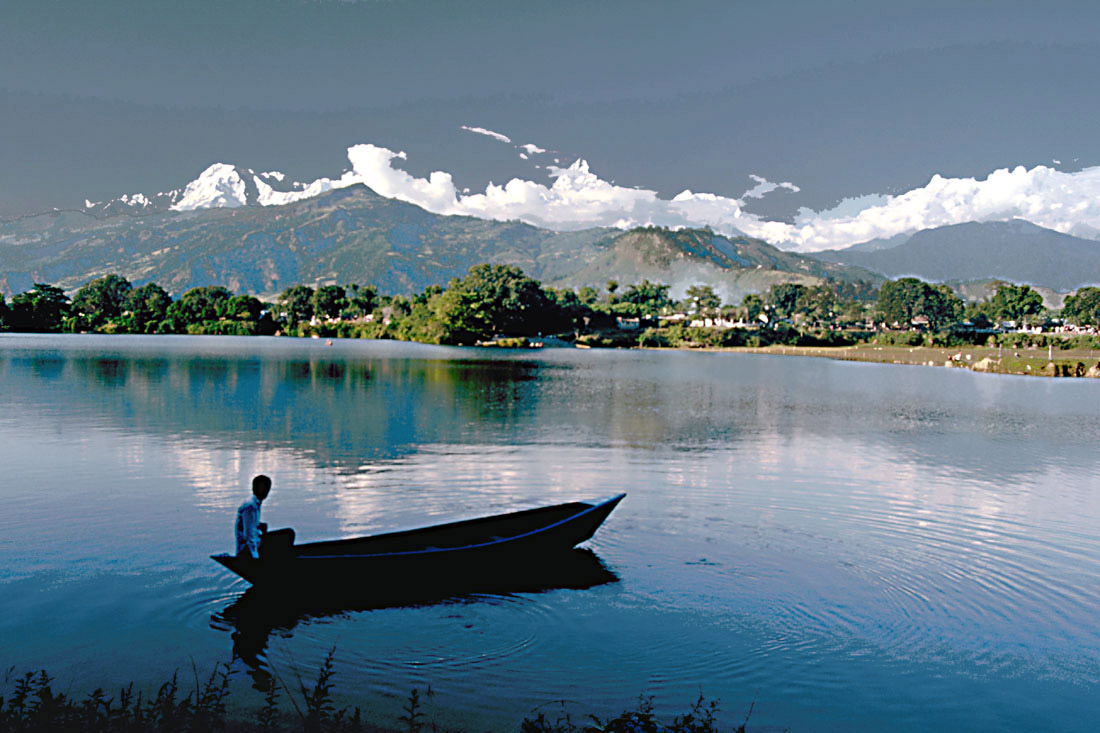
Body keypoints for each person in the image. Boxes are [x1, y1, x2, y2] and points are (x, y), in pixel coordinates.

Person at [236, 474, 271, 558]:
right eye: (263, 488)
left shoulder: (256, 504)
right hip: (248, 550)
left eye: (267, 488)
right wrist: (255, 557)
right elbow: (249, 535)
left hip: (255, 544)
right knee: (288, 533)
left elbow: (249, 525)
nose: (265, 491)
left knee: (287, 533)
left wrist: (259, 525)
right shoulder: (250, 506)